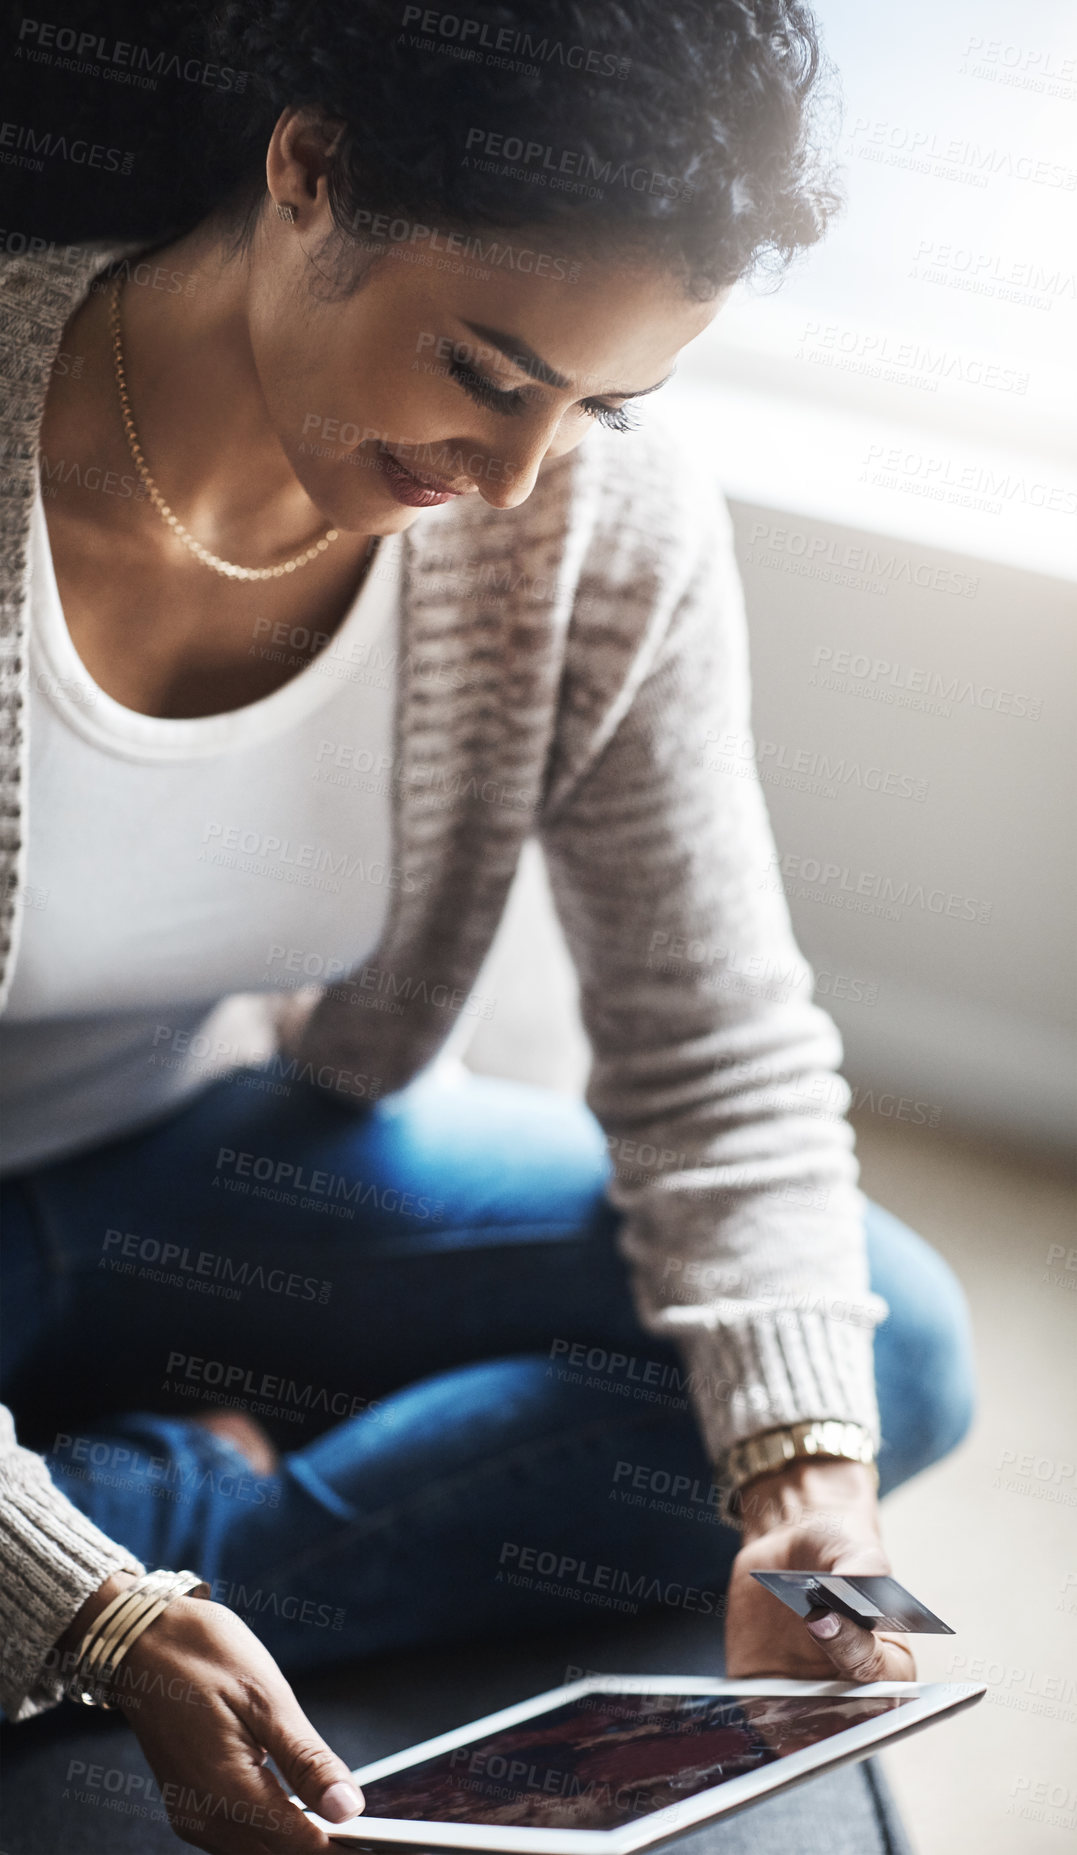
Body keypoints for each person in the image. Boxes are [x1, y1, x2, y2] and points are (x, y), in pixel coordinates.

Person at [0, 1, 975, 1848]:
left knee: (883, 1352)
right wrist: (85, 1604)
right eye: (484, 370)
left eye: (598, 404)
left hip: (192, 1167)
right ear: (309, 171)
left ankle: (178, 1526)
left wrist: (801, 1484)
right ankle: (115, 1556)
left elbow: (715, 1043)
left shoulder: (592, 533)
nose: (518, 478)